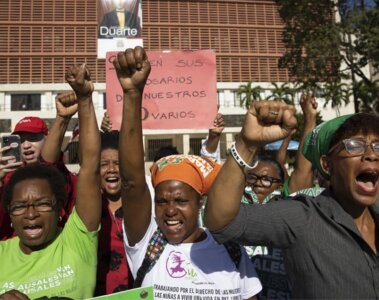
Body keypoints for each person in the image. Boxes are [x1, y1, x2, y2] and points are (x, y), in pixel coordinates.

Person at [113, 46, 262, 299]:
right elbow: (132, 182)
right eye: (161, 201)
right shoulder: (147, 244)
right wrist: (132, 94)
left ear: (199, 202)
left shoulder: (231, 251)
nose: (170, 210)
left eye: (181, 200)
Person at [205, 100, 379, 298]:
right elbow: (220, 221)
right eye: (354, 145)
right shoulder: (303, 217)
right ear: (327, 165)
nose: (371, 154)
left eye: (377, 146)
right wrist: (246, 145)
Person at [0, 63, 101, 299]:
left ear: (60, 208)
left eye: (43, 203)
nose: (31, 213)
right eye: (20, 206)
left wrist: (85, 99)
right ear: (9, 213)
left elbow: (90, 167)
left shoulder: (77, 241)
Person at [0, 93, 79, 241]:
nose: (26, 145)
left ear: (47, 139)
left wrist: (62, 118)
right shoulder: (8, 178)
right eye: (20, 140)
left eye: (33, 138)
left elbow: (49, 161)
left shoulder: (58, 170)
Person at [95, 130, 131, 295]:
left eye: (117, 163)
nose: (111, 169)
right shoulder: (90, 210)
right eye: (104, 164)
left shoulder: (141, 206)